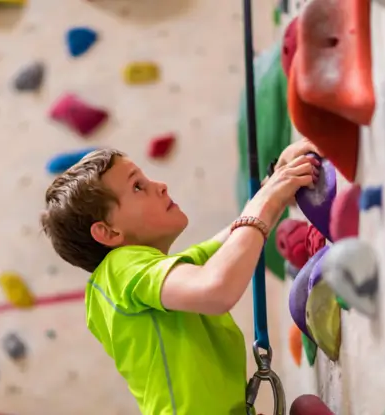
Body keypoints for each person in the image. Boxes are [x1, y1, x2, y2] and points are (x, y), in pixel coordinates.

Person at [40, 140, 321, 415]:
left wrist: (278, 177)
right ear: (110, 233)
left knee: (305, 408)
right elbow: (216, 288)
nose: (160, 186)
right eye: (138, 186)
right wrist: (269, 199)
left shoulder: (152, 273)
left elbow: (235, 240)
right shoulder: (118, 270)